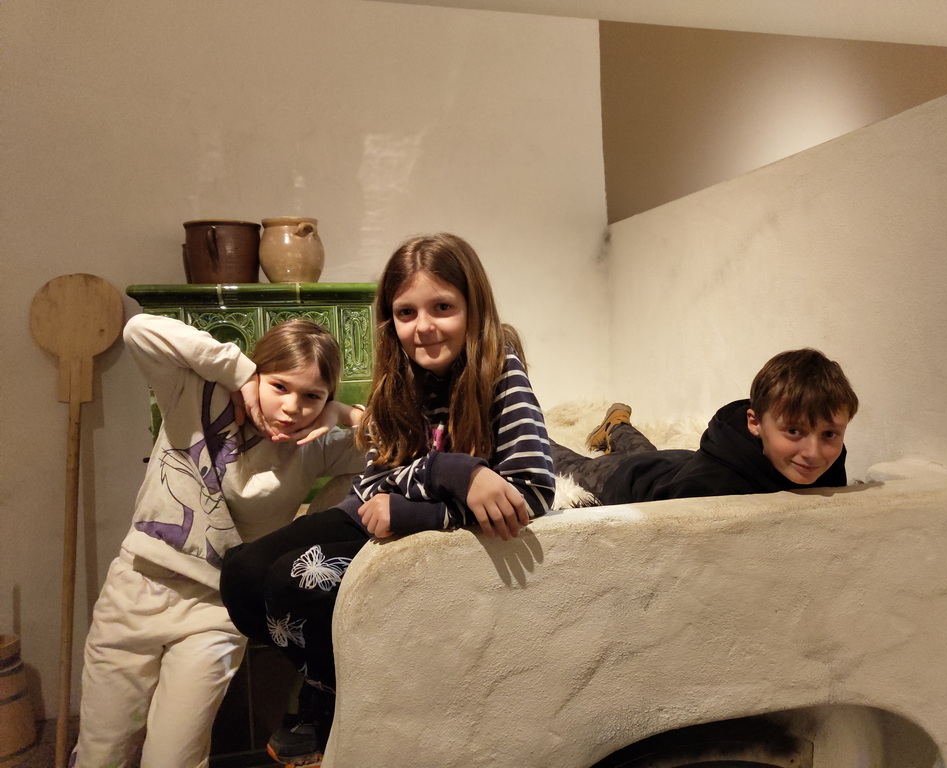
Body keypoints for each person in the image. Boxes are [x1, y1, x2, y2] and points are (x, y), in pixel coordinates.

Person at [220, 232, 556, 766]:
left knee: (293, 580)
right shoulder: (400, 376)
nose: (423, 327)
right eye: (406, 313)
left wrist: (416, 508)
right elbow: (377, 478)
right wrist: (448, 469)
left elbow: (534, 491)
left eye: (442, 307)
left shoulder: (500, 373)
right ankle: (331, 680)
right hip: (367, 513)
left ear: (473, 307)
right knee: (241, 575)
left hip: (420, 528)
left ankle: (326, 699)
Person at [72, 313, 365, 768]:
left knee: (174, 760)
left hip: (216, 612)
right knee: (101, 753)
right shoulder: (194, 394)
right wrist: (239, 373)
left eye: (312, 396)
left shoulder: (315, 445)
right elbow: (138, 331)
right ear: (258, 374)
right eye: (280, 386)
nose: (293, 407)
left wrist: (345, 412)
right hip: (136, 590)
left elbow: (405, 444)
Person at [550, 348, 858, 505]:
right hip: (631, 477)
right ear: (754, 423)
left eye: (829, 434)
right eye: (794, 431)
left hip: (676, 461)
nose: (813, 452)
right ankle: (605, 429)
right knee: (573, 464)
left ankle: (617, 425)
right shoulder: (708, 487)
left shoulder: (826, 464)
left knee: (646, 452)